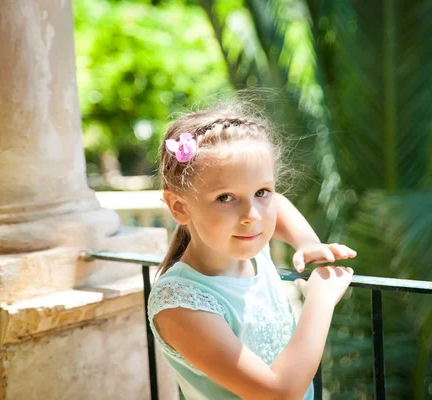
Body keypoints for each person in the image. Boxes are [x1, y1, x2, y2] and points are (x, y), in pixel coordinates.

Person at [148, 102, 356, 400]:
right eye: (225, 197)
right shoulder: (181, 304)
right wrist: (320, 299)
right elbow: (280, 393)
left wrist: (308, 242)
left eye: (261, 192)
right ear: (179, 207)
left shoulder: (247, 248)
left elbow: (278, 204)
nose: (253, 215)